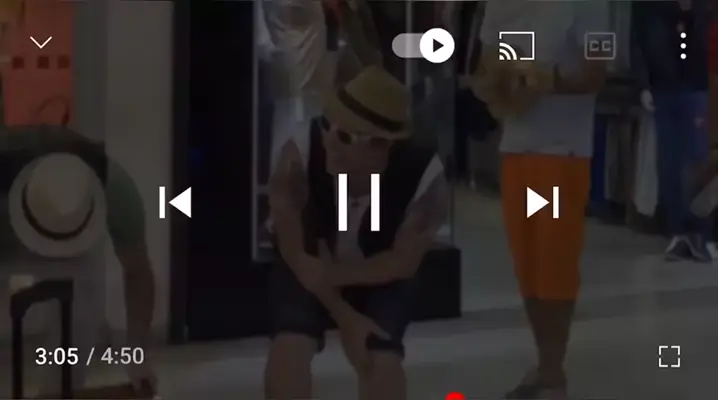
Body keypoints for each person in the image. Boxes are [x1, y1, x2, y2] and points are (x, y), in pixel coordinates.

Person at [264, 66, 450, 400]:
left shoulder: (425, 177)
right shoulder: (297, 157)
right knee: (291, 343)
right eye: (327, 126)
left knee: (381, 356)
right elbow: (297, 255)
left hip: (377, 270)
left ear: (382, 146)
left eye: (346, 137)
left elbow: (401, 263)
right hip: (308, 261)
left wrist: (333, 277)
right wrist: (346, 317)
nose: (329, 141)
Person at [475, 1, 609, 398]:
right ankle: (546, 365)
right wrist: (499, 85)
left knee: (554, 264)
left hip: (561, 152)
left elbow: (597, 72)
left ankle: (552, 370)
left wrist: (551, 81)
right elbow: (488, 64)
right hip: (515, 148)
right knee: (527, 266)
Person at [1, 126, 157, 396]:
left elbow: (138, 272)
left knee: (81, 318)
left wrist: (137, 355)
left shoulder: (113, 187)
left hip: (75, 247)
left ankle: (60, 390)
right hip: (6, 234)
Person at [632, 0, 712, 261]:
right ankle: (677, 230)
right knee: (668, 162)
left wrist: (691, 13)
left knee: (698, 158)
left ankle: (699, 231)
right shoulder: (648, 6)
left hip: (695, 85)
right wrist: (643, 85)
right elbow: (638, 44)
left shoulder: (700, 7)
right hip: (663, 86)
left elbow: (704, 37)